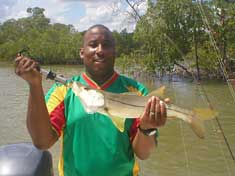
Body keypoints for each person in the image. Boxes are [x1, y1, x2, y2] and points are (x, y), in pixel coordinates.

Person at [14, 24, 167, 176]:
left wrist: (147, 128)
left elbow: (143, 154)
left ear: (114, 52)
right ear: (82, 52)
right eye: (93, 45)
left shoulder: (137, 92)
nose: (100, 50)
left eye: (106, 45)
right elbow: (42, 142)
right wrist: (34, 85)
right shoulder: (64, 90)